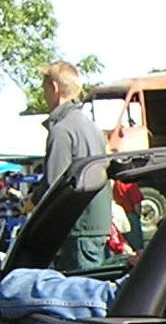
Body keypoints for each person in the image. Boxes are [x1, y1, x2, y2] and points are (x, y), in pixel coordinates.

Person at [40, 60, 112, 272]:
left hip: (78, 227)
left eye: (45, 89)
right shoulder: (89, 125)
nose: (44, 96)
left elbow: (54, 187)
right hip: (94, 225)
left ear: (54, 88)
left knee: (80, 296)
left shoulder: (62, 129)